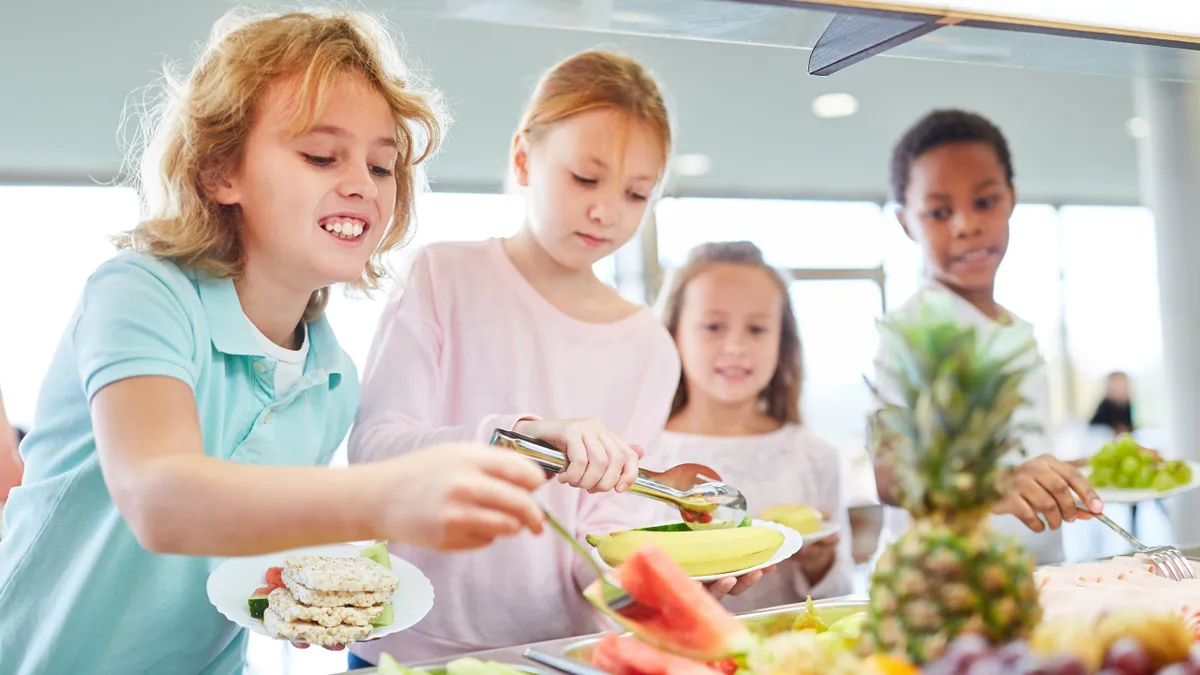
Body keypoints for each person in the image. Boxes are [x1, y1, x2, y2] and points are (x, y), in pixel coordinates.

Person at [0, 10, 548, 675]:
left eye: (382, 165)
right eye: (322, 155)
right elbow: (159, 497)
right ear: (219, 173)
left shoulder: (332, 376)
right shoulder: (142, 294)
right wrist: (389, 494)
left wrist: (301, 592)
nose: (360, 183)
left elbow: (247, 543)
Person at [346, 50, 764, 668]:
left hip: (558, 656)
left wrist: (670, 583)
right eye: (585, 179)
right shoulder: (445, 275)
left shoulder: (647, 345)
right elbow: (375, 453)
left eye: (636, 193)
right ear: (523, 157)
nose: (606, 211)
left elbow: (596, 537)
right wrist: (519, 440)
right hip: (411, 653)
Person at [871, 109, 1104, 566]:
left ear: (1012, 199)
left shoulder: (1016, 329)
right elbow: (889, 475)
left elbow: (1024, 464)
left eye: (985, 202)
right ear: (905, 223)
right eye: (939, 212)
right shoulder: (914, 330)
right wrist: (999, 483)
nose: (966, 225)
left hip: (1035, 577)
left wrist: (1098, 467)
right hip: (943, 584)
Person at [656, 241, 853, 612]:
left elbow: (840, 596)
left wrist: (818, 565)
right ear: (674, 333)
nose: (735, 346)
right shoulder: (639, 453)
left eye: (758, 329)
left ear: (783, 342)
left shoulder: (813, 455)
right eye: (713, 326)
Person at [1090, 371, 1135, 436]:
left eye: (1122, 385)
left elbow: (1129, 425)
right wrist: (1114, 429)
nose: (1120, 390)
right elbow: (1096, 426)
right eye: (1117, 386)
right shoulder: (1105, 405)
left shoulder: (1127, 405)